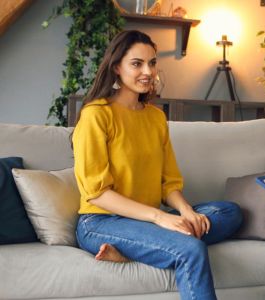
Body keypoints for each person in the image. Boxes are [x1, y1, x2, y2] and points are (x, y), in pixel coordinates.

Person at [72, 30, 243, 300]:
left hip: (147, 220)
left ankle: (136, 249)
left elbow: (169, 183)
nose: (148, 71)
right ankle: (150, 243)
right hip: (101, 222)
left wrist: (185, 211)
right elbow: (97, 192)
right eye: (136, 63)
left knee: (229, 212)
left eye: (152, 63)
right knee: (190, 249)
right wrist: (161, 218)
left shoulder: (155, 117)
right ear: (116, 67)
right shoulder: (96, 115)